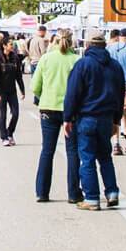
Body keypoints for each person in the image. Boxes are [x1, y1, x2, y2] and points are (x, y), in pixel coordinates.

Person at [64, 32, 125, 209]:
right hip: (106, 118)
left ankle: (91, 198)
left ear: (88, 46)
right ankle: (112, 192)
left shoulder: (82, 65)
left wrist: (67, 117)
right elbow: (119, 94)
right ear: (105, 45)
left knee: (87, 158)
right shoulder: (115, 66)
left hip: (87, 117)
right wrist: (116, 120)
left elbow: (73, 94)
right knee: (105, 157)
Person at [29, 30, 81, 204]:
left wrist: (44, 95)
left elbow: (35, 86)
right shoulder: (76, 60)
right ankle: (73, 193)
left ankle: (42, 192)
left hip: (48, 107)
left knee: (47, 150)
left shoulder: (46, 59)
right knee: (73, 151)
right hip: (71, 109)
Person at [0, 34, 26, 146]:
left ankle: (10, 133)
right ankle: (4, 137)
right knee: (3, 114)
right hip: (1, 91)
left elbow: (18, 76)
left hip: (12, 91)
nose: (12, 46)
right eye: (11, 44)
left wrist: (22, 89)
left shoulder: (15, 58)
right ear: (4, 46)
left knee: (15, 113)